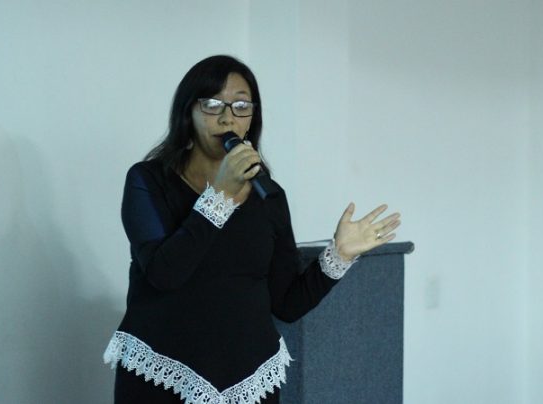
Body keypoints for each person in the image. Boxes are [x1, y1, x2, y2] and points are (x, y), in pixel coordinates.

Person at [102, 55, 401, 404]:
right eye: (213, 104)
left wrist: (339, 255)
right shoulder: (148, 180)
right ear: (188, 112)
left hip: (249, 381)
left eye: (241, 105)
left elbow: (286, 303)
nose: (227, 117)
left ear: (252, 118)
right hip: (162, 378)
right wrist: (220, 198)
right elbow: (164, 273)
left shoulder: (268, 195)